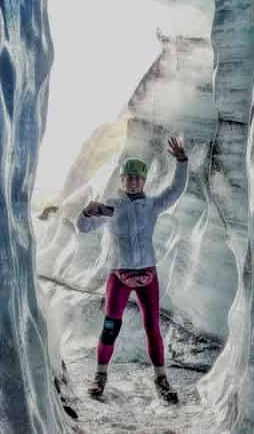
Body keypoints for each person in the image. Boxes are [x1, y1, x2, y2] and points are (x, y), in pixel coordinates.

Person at [75, 137, 189, 404]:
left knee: (153, 328)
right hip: (120, 275)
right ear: (122, 180)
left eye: (139, 178)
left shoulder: (152, 206)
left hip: (148, 274)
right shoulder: (112, 206)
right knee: (111, 326)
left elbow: (175, 190)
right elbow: (83, 227)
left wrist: (182, 162)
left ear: (144, 180)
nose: (134, 181)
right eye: (130, 177)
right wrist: (88, 213)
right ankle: (100, 376)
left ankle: (161, 379)